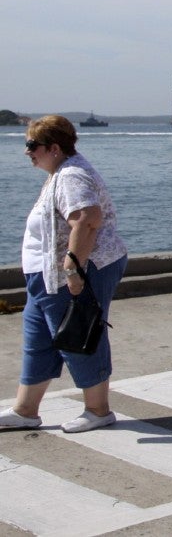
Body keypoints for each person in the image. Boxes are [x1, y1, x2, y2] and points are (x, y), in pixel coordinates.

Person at [2, 116, 129, 434]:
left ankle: (98, 410)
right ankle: (26, 410)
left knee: (78, 336)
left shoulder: (71, 174)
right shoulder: (60, 173)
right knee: (38, 339)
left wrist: (73, 269)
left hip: (75, 271)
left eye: (32, 145)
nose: (27, 152)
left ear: (54, 147)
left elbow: (88, 218)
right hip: (46, 276)